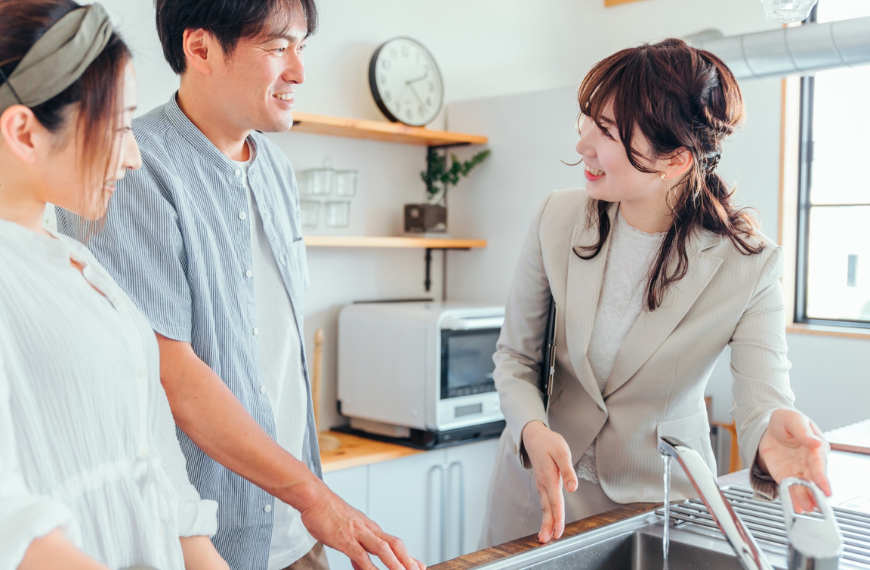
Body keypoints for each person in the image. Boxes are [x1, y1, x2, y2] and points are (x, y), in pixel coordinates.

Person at [56, 2, 423, 570]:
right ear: (200, 48)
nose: (299, 71)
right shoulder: (135, 168)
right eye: (278, 48)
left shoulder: (276, 168)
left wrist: (308, 498)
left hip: (298, 529)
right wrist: (313, 494)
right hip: (205, 537)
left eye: (302, 47)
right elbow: (168, 373)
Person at [481, 38, 832, 548]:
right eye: (587, 121)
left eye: (606, 131)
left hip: (655, 506)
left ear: (676, 160)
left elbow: (763, 401)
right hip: (537, 492)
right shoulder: (556, 217)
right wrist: (533, 430)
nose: (583, 145)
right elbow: (515, 358)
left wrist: (776, 433)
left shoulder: (750, 265)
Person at [0, 1, 228, 569]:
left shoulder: (79, 263)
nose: (132, 157)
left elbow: (161, 478)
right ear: (24, 132)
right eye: (118, 126)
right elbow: (13, 530)